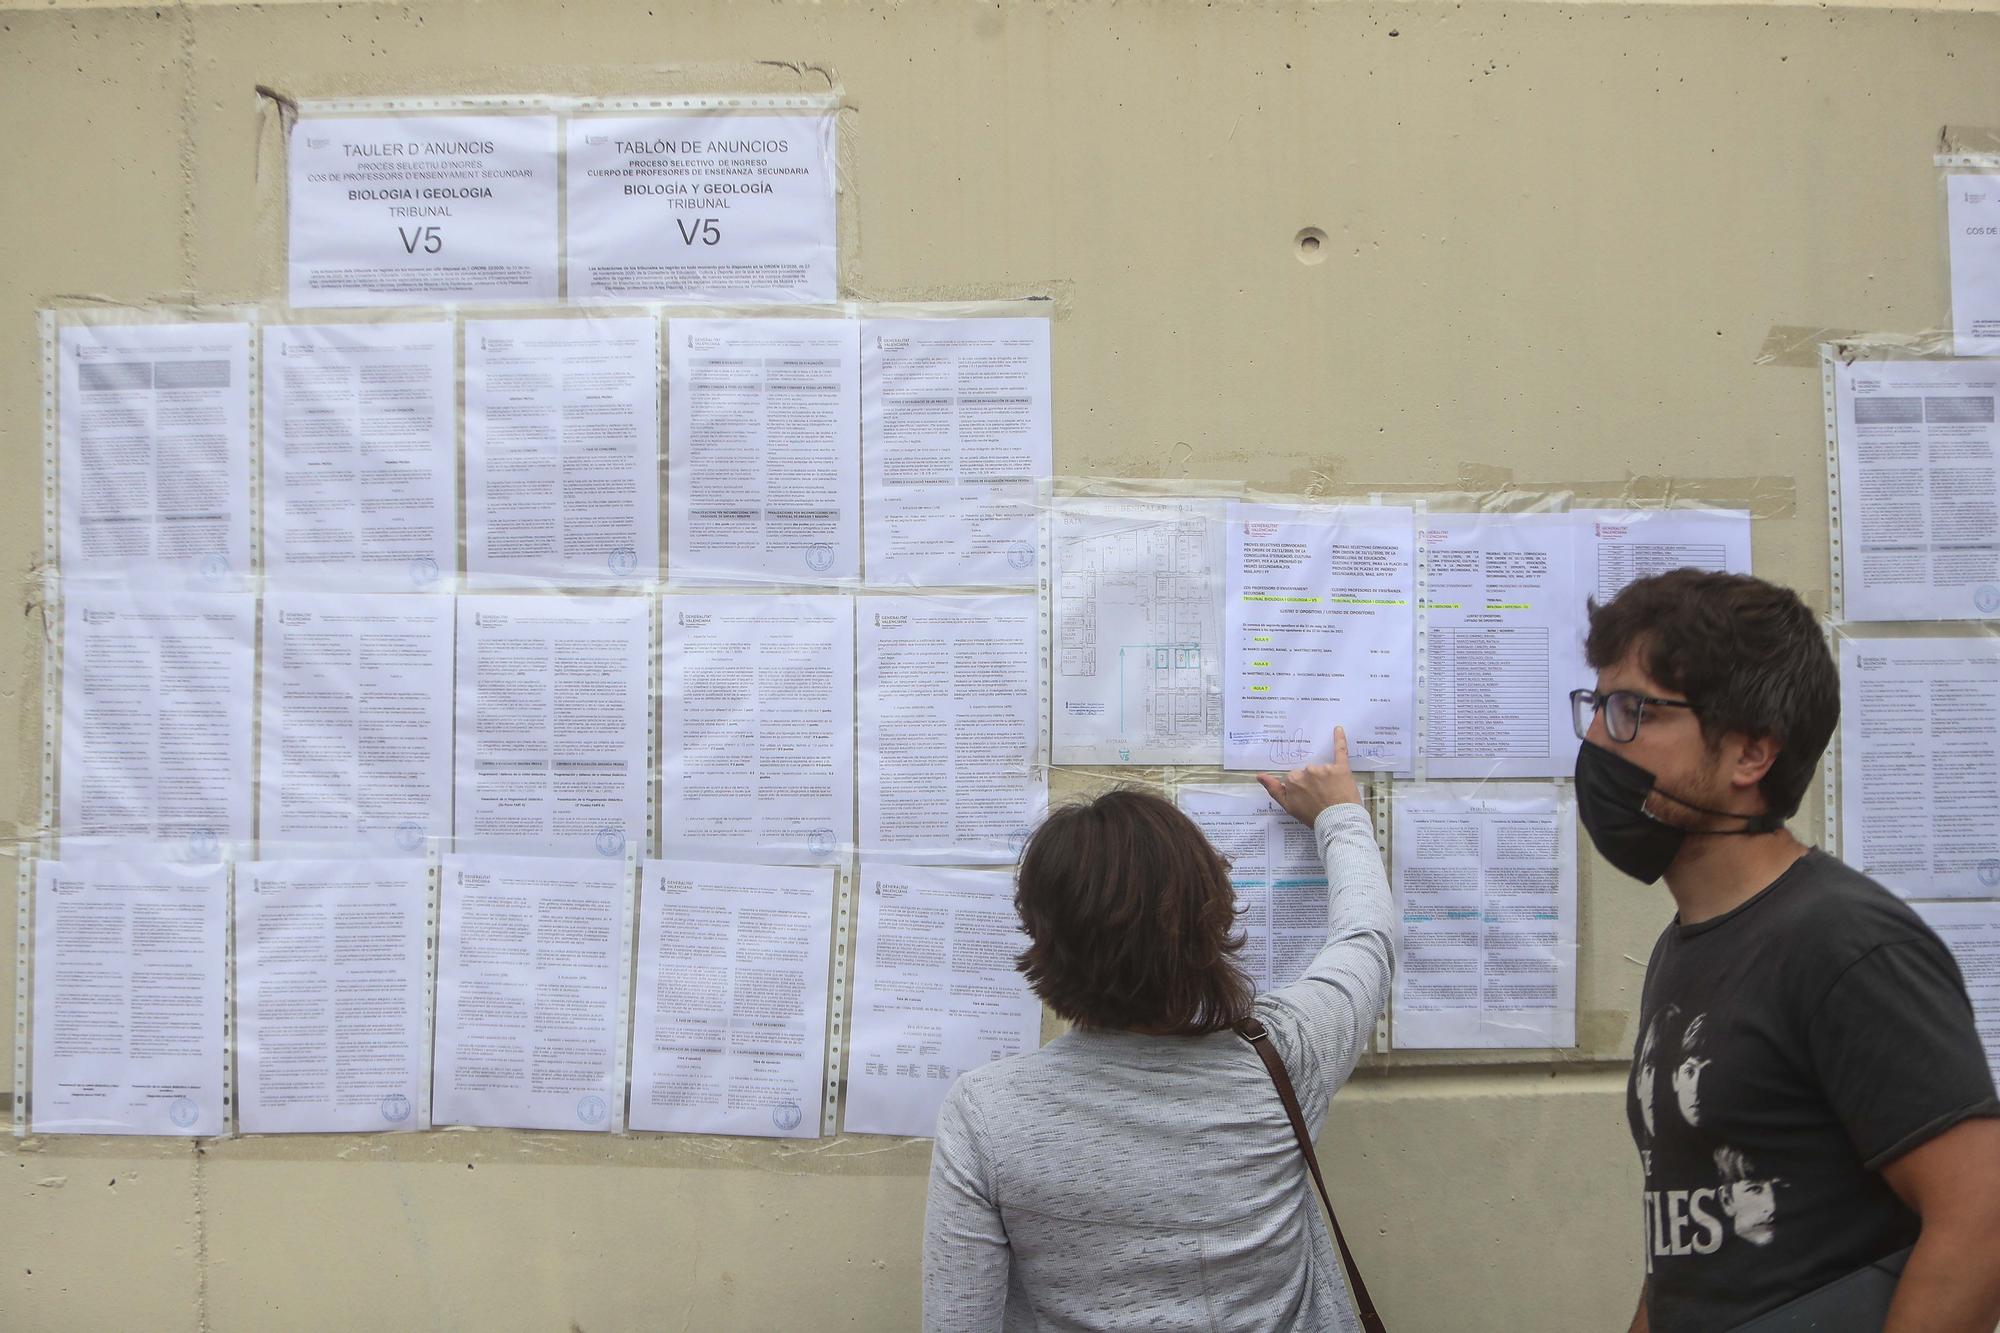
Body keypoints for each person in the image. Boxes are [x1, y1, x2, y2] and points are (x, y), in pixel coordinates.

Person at [1574, 569, 2000, 1332]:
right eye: (1600, 704)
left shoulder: (1847, 943)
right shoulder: (1686, 948)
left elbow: (1981, 1220)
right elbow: (1695, 1256)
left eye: (1634, 710)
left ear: (1751, 755)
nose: (1600, 738)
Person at [921, 727, 1391, 1331]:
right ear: (1212, 913)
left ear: (1043, 935)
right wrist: (1342, 816)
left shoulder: (985, 1112)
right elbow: (1366, 942)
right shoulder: (1282, 1057)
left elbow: (959, 1318)